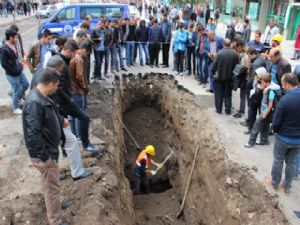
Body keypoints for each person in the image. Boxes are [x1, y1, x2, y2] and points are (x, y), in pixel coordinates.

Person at [31, 56, 92, 181]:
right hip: (50, 121)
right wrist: (60, 119)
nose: (60, 74)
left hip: (50, 119)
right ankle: (76, 172)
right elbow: (47, 104)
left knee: (58, 144)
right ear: (56, 68)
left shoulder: (40, 74)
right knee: (70, 141)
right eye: (60, 71)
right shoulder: (46, 82)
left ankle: (57, 173)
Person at [22, 68, 69, 225]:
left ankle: (56, 204)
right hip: (45, 154)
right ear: (49, 84)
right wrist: (45, 157)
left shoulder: (43, 97)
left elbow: (51, 117)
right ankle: (55, 221)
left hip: (50, 150)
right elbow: (32, 134)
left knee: (51, 185)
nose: (56, 89)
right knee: (51, 188)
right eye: (55, 86)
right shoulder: (35, 103)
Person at [57, 39, 98, 153]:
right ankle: (83, 142)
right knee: (83, 116)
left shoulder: (65, 60)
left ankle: (74, 139)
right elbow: (79, 77)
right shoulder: (75, 60)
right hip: (73, 94)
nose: (74, 55)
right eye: (73, 52)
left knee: (72, 118)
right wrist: (84, 89)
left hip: (68, 95)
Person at [265, 73, 300, 194]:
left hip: (284, 137)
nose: (282, 86)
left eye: (283, 83)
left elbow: (276, 121)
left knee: (278, 160)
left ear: (288, 85)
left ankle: (275, 183)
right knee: (292, 162)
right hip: (298, 140)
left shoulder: (285, 100)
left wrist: (274, 130)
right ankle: (287, 186)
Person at [244, 73, 279, 148]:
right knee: (265, 127)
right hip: (267, 113)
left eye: (263, 82)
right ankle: (264, 140)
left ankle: (251, 143)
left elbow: (270, 105)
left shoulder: (271, 91)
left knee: (256, 126)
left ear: (267, 83)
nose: (262, 83)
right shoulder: (268, 89)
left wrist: (265, 114)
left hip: (265, 112)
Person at [0, 29, 29, 114]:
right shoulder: (4, 49)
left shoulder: (14, 44)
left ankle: (15, 97)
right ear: (10, 37)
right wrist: (14, 70)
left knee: (25, 84)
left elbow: (17, 56)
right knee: (16, 90)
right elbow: (4, 64)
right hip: (12, 74)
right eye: (15, 37)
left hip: (18, 70)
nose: (17, 39)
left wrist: (20, 65)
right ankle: (15, 108)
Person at [69, 41, 90, 138]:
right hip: (77, 91)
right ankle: (80, 136)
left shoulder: (72, 57)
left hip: (71, 90)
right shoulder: (79, 59)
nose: (86, 55)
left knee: (73, 114)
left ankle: (74, 134)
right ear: (84, 50)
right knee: (79, 113)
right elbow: (80, 76)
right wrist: (85, 88)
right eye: (87, 53)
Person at [212, 38, 239, 114]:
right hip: (230, 78)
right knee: (228, 94)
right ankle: (228, 110)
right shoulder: (235, 54)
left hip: (219, 77)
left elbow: (214, 65)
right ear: (230, 45)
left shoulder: (219, 53)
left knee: (218, 94)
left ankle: (219, 109)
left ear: (223, 44)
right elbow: (237, 66)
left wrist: (213, 73)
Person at [233, 40, 250, 118]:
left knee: (243, 95)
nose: (237, 50)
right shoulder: (245, 54)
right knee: (242, 95)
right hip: (245, 78)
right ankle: (241, 110)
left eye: (238, 48)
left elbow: (246, 68)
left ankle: (241, 111)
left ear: (240, 47)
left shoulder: (246, 57)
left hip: (245, 79)